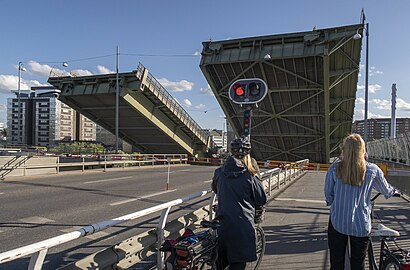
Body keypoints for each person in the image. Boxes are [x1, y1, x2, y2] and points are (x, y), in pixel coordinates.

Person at [324, 134, 397, 270]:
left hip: (337, 222)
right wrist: (394, 191)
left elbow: (329, 196)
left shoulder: (334, 169)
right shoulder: (372, 170)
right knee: (358, 263)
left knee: (336, 262)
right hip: (360, 224)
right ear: (363, 150)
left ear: (344, 150)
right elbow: (386, 190)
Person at [212, 138, 267, 270]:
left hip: (222, 225)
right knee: (238, 264)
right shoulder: (250, 176)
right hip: (242, 226)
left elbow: (215, 188)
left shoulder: (219, 172)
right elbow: (261, 199)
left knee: (220, 262)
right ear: (248, 154)